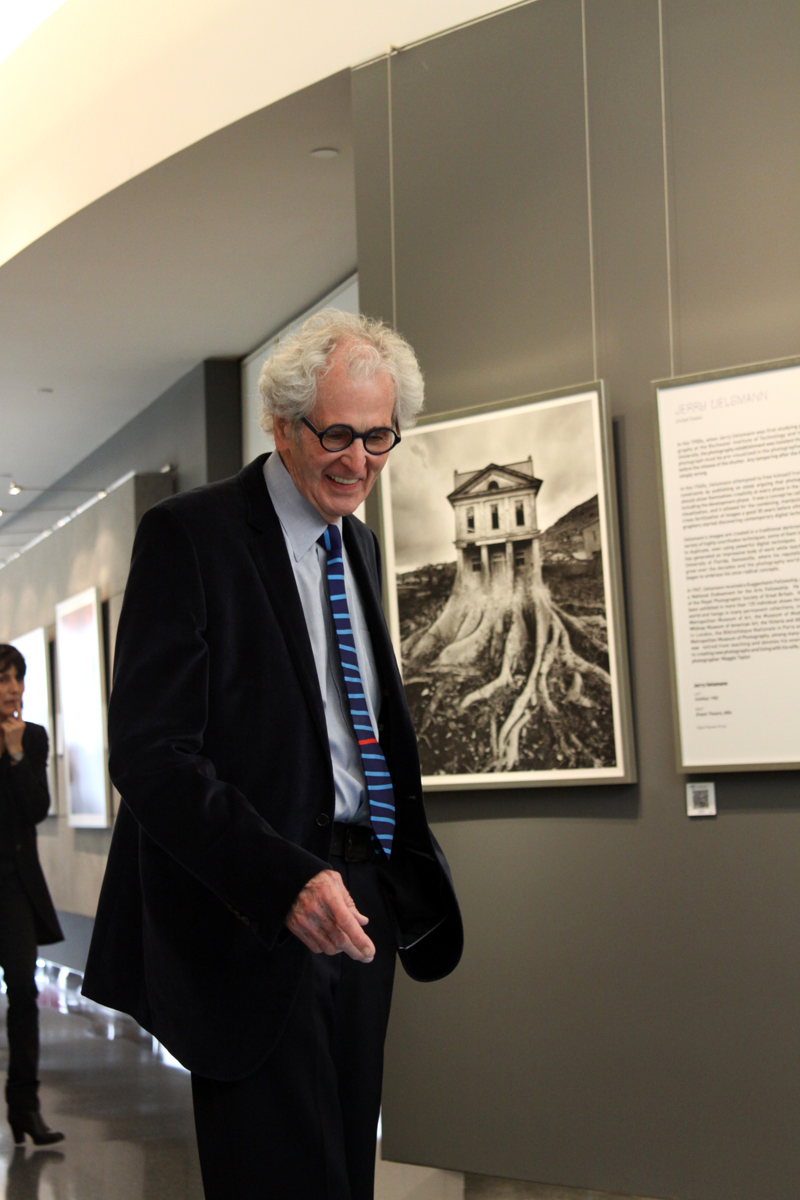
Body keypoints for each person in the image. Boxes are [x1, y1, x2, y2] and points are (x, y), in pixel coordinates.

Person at [83, 311, 463, 1200]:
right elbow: (151, 754)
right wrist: (282, 880)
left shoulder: (358, 545)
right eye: (338, 436)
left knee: (345, 1175)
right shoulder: (192, 535)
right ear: (282, 425)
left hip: (362, 897)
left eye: (378, 437)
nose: (359, 461)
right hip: (254, 913)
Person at [0, 644, 64, 1146]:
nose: (14, 688)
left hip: (14, 884)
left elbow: (37, 808)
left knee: (23, 988)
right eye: (4, 678)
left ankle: (24, 1106)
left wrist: (18, 752)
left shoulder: (34, 737)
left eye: (18, 678)